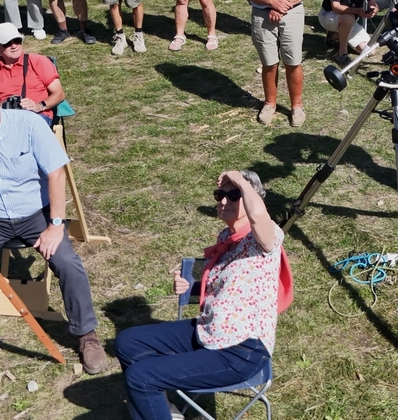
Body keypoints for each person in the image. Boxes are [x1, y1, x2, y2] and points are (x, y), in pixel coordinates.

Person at [0, 83, 106, 398]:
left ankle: (86, 334)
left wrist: (56, 226)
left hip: (35, 213)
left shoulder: (29, 124)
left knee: (67, 262)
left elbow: (56, 174)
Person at [115, 170, 292, 420]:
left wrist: (240, 180)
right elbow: (228, 287)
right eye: (220, 195)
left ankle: (151, 402)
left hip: (241, 351)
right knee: (128, 342)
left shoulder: (264, 237)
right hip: (209, 331)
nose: (223, 201)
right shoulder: (227, 238)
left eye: (234, 195)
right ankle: (163, 410)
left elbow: (259, 215)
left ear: (252, 197)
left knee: (140, 377)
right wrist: (192, 287)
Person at [0, 22, 65, 126]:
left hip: (35, 117)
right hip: (3, 119)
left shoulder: (38, 61)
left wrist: (39, 106)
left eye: (17, 40)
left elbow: (59, 93)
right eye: (7, 43)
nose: (14, 46)